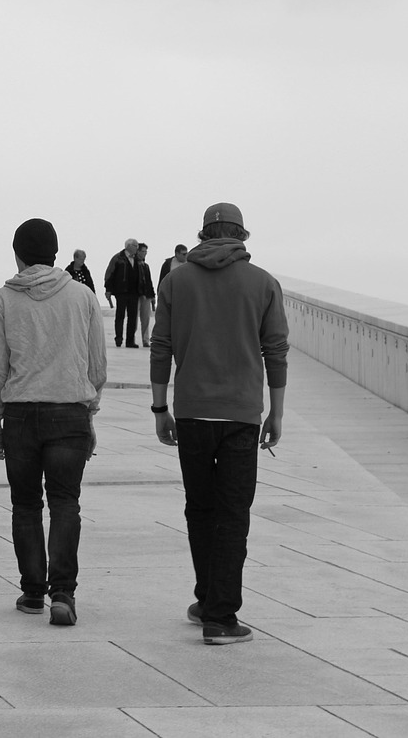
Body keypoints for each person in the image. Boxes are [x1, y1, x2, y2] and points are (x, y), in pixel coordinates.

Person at [150, 202, 289, 645]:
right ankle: (221, 616)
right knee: (233, 515)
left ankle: (208, 597)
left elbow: (161, 346)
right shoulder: (264, 283)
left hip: (191, 411)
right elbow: (276, 351)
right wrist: (276, 412)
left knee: (200, 508)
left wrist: (160, 409)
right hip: (241, 415)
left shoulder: (176, 280)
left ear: (203, 235)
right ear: (242, 236)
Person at [0, 218, 107, 627]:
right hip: (69, 412)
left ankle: (33, 591)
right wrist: (88, 411)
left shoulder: (3, 300)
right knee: (65, 502)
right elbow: (97, 366)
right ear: (56, 253)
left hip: (20, 415)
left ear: (17, 253)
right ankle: (64, 594)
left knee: (25, 505)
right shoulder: (83, 296)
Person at [103, 238, 141, 347]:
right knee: (120, 316)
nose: (137, 248)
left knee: (133, 317)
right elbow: (109, 274)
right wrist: (108, 289)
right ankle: (118, 339)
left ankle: (130, 341)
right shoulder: (117, 258)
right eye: (135, 246)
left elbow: (143, 275)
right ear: (128, 246)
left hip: (134, 292)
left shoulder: (138, 259)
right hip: (121, 292)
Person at [136, 243, 156, 348]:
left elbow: (149, 281)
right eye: (143, 251)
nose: (144, 254)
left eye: (145, 252)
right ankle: (132, 338)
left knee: (146, 319)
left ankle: (145, 340)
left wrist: (152, 295)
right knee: (134, 318)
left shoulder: (145, 266)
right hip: (137, 295)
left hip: (147, 295)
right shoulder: (133, 265)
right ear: (138, 251)